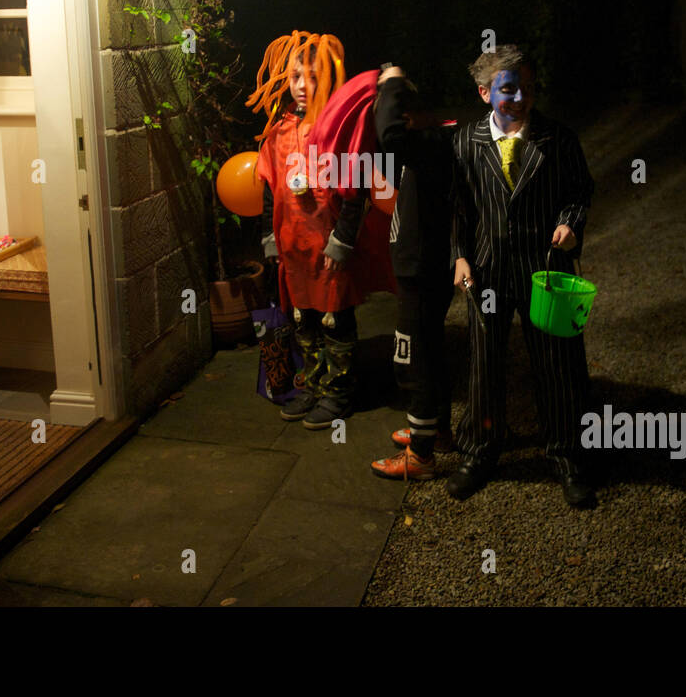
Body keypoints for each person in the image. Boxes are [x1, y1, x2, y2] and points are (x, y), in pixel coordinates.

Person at [448, 45, 596, 506]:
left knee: (557, 362)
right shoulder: (466, 142)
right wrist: (458, 256)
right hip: (488, 268)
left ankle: (567, 454)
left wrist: (571, 223)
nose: (518, 97)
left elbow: (580, 191)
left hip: (544, 269)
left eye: (527, 88)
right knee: (484, 364)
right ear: (484, 92)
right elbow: (457, 207)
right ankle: (481, 450)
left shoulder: (557, 138)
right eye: (507, 88)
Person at [250, 31, 365, 430]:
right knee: (303, 319)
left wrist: (343, 240)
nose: (302, 86)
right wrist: (270, 241)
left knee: (335, 319)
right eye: (296, 76)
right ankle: (313, 387)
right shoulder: (278, 130)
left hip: (328, 248)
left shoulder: (340, 128)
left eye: (312, 76)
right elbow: (270, 189)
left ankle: (339, 393)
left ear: (328, 77)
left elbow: (357, 189)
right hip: (293, 249)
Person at [369, 64, 457, 481]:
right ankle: (436, 430)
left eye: (405, 105)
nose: (399, 115)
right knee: (431, 348)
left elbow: (388, 137)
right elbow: (388, 154)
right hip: (423, 264)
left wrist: (390, 83)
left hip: (422, 267)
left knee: (413, 355)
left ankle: (421, 456)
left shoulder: (431, 141)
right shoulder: (432, 142)